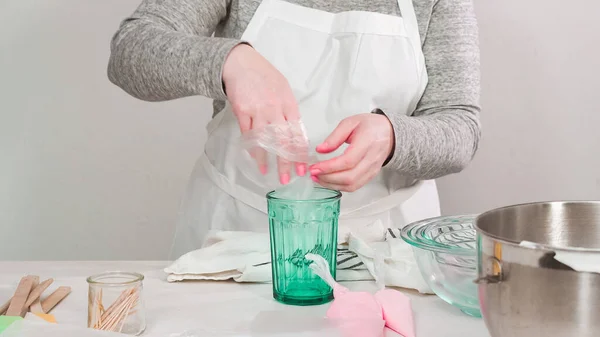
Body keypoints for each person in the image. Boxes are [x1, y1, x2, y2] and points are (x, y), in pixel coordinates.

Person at [107, 0, 481, 259]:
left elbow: (460, 127)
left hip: (386, 247)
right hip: (237, 238)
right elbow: (130, 51)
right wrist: (229, 61)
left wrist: (393, 137)